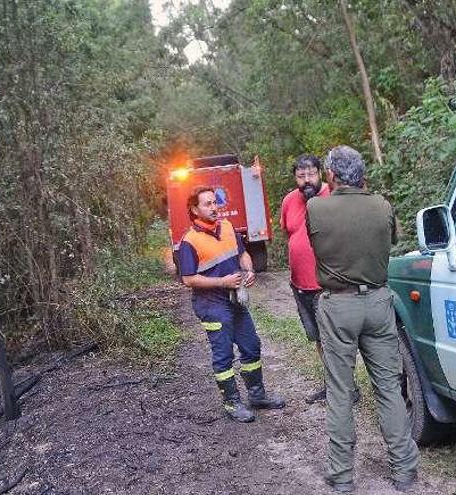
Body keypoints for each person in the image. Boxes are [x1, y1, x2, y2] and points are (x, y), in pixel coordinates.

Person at [306, 146, 419, 493]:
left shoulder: (316, 208)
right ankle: (403, 471)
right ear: (362, 174)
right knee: (388, 387)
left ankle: (342, 477)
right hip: (378, 302)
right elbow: (392, 240)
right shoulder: (382, 206)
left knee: (340, 392)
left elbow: (315, 245)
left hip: (337, 306)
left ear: (332, 175)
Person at [178, 186, 286, 422]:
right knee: (223, 354)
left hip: (235, 299)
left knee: (251, 346)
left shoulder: (226, 227)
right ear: (194, 209)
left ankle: (257, 396)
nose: (214, 207)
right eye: (207, 204)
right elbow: (188, 279)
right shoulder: (189, 241)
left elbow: (242, 253)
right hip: (211, 304)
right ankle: (232, 403)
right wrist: (222, 281)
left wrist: (248, 270)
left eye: (214, 202)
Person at [280, 154, 361, 405]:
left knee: (335, 339)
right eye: (300, 175)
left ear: (321, 174)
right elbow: (288, 234)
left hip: (329, 285)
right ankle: (332, 386)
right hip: (300, 285)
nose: (306, 180)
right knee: (318, 339)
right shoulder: (289, 201)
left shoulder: (335, 197)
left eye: (311, 174)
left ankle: (349, 389)